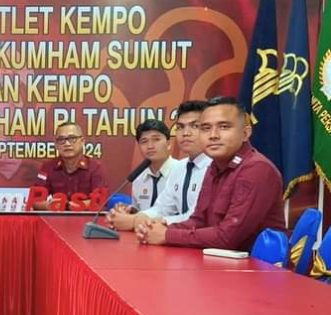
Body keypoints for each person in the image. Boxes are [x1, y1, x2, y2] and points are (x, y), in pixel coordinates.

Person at [136, 96, 285, 250]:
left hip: (255, 263)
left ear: (245, 133)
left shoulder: (256, 169)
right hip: (217, 260)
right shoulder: (215, 166)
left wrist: (167, 235)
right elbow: (198, 221)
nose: (213, 135)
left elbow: (227, 237)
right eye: (206, 128)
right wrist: (158, 229)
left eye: (224, 127)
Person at [108, 102, 211, 230]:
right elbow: (162, 208)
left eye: (194, 126)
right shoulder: (180, 168)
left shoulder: (215, 167)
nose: (186, 133)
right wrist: (134, 217)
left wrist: (137, 222)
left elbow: (197, 218)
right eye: (180, 127)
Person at [30, 122, 107, 210]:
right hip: (56, 217)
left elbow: (101, 200)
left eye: (72, 138)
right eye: (61, 139)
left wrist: (73, 206)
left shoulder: (95, 167)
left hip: (86, 217)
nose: (67, 144)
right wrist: (49, 206)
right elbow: (35, 200)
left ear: (82, 141)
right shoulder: (48, 167)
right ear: (56, 145)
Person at [129, 119, 180, 212]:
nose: (150, 146)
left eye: (156, 139)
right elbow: (138, 210)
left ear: (168, 144)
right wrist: (129, 211)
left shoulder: (181, 172)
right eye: (144, 141)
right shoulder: (138, 178)